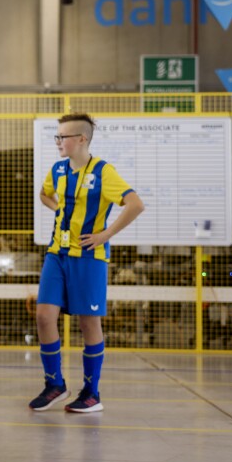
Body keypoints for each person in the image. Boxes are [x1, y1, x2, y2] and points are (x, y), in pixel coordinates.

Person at [31, 113, 144, 414]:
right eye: (56, 137)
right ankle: (54, 384)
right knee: (44, 315)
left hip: (89, 257)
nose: (58, 142)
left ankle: (92, 393)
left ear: (81, 139)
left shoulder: (103, 172)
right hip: (57, 253)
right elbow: (44, 194)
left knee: (87, 322)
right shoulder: (57, 170)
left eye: (63, 137)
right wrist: (59, 210)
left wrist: (105, 234)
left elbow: (135, 204)